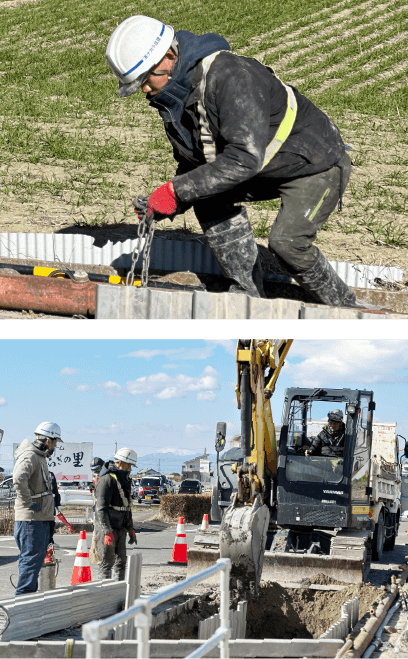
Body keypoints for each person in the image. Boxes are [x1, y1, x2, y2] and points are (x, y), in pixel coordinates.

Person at [105, 16, 383, 309]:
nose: (145, 90)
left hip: (314, 163)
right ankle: (247, 294)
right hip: (263, 164)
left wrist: (176, 191)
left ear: (169, 57)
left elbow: (244, 158)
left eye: (145, 80)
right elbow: (197, 165)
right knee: (205, 194)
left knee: (288, 245)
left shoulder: (230, 77)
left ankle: (348, 309)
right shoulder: (175, 98)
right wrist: (169, 200)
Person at [12, 422, 63, 595]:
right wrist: (27, 502)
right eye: (55, 442)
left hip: (39, 519)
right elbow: (19, 478)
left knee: (33, 562)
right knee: (30, 561)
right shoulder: (31, 456)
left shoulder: (39, 456)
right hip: (31, 520)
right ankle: (22, 604)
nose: (55, 446)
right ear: (48, 440)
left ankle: (27, 601)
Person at [94, 448, 138, 580]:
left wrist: (130, 528)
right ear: (120, 463)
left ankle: (119, 592)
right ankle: (104, 594)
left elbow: (126, 507)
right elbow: (101, 508)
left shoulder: (124, 479)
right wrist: (107, 531)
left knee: (121, 562)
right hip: (108, 528)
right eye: (128, 465)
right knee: (106, 563)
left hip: (120, 527)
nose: (130, 469)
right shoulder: (107, 479)